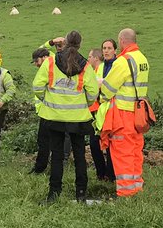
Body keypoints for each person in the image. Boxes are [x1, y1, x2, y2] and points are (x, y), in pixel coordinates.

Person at [32, 30, 98, 203]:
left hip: (54, 118)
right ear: (80, 44)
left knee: (57, 156)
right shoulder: (85, 65)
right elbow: (93, 92)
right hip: (78, 119)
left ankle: (54, 194)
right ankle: (81, 193)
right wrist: (84, 104)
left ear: (66, 42)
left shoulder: (52, 61)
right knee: (80, 156)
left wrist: (47, 99)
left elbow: (37, 86)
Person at [97, 28, 150, 197]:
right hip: (139, 113)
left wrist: (100, 94)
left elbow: (108, 89)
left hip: (123, 115)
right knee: (135, 151)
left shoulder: (123, 61)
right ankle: (136, 187)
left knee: (122, 154)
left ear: (121, 41)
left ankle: (126, 193)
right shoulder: (142, 59)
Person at [86, 48, 115, 182]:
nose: (88, 59)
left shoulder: (103, 69)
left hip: (103, 112)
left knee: (103, 143)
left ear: (96, 58)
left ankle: (107, 173)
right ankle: (102, 173)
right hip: (97, 112)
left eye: (90, 57)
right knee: (96, 144)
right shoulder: (94, 70)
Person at [29, 46, 52, 175]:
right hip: (46, 111)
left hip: (51, 111)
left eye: (37, 61)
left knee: (45, 140)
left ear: (44, 58)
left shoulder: (51, 65)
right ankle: (41, 167)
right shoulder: (52, 63)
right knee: (43, 140)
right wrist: (51, 42)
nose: (36, 65)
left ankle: (41, 168)